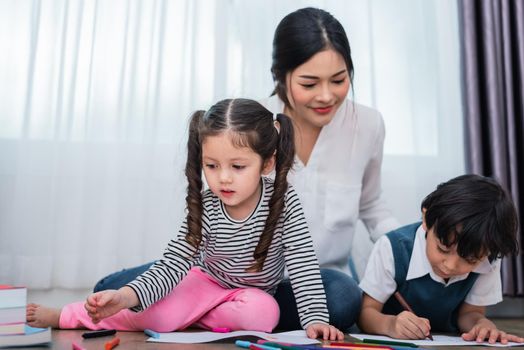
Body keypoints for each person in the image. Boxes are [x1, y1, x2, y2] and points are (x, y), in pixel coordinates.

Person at [92, 7, 399, 331]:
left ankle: (209, 314)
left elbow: (371, 205)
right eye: (309, 83)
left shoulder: (367, 125)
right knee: (111, 293)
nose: (326, 95)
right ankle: (212, 310)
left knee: (342, 298)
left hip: (294, 284)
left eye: (339, 80)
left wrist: (407, 250)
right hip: (221, 272)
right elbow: (199, 232)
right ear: (280, 76)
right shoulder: (252, 126)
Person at [26, 98, 343, 340]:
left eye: (237, 166)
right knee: (159, 316)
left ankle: (187, 315)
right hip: (204, 282)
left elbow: (303, 264)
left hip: (251, 295)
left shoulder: (284, 202)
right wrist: (124, 296)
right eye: (212, 166)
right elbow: (173, 264)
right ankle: (68, 315)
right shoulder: (208, 206)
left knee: (263, 315)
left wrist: (315, 318)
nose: (223, 179)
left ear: (266, 163)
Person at [358, 174, 524, 344]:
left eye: (471, 260)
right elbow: (366, 313)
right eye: (443, 248)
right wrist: (390, 325)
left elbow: (469, 314)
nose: (450, 265)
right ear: (426, 218)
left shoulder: (487, 259)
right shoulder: (392, 248)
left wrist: (481, 324)